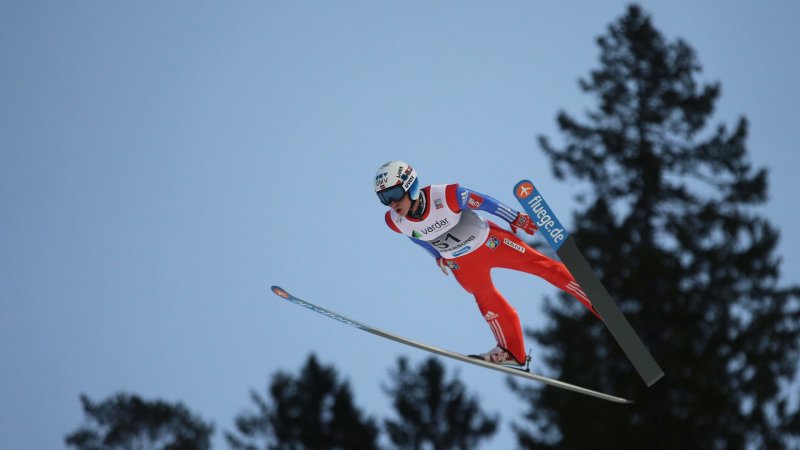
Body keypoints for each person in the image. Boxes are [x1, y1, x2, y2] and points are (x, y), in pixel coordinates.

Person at [375, 160, 600, 367]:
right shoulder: (394, 221)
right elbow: (416, 236)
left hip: (491, 243)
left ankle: (593, 297)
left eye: (394, 193)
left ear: (410, 185)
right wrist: (436, 255)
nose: (392, 203)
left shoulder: (445, 196)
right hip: (461, 263)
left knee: (541, 266)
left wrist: (515, 217)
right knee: (486, 299)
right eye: (384, 198)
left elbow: (484, 202)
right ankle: (512, 352)